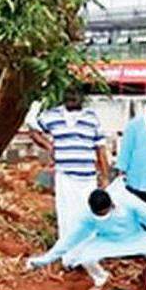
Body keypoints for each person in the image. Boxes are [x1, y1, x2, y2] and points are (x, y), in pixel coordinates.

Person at [27, 185, 146, 290]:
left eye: (105, 212)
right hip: (107, 241)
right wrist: (43, 260)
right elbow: (68, 241)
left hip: (136, 237)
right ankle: (100, 278)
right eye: (99, 215)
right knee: (84, 256)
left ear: (111, 205)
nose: (103, 216)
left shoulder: (128, 201)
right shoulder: (86, 216)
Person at [29, 88, 111, 240]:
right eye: (69, 93)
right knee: (66, 216)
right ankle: (68, 255)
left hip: (88, 178)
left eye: (76, 93)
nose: (72, 97)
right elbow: (33, 130)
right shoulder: (52, 115)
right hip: (65, 176)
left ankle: (86, 252)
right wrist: (49, 146)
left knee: (87, 215)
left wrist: (105, 177)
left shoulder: (92, 118)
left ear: (82, 97)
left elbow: (101, 148)